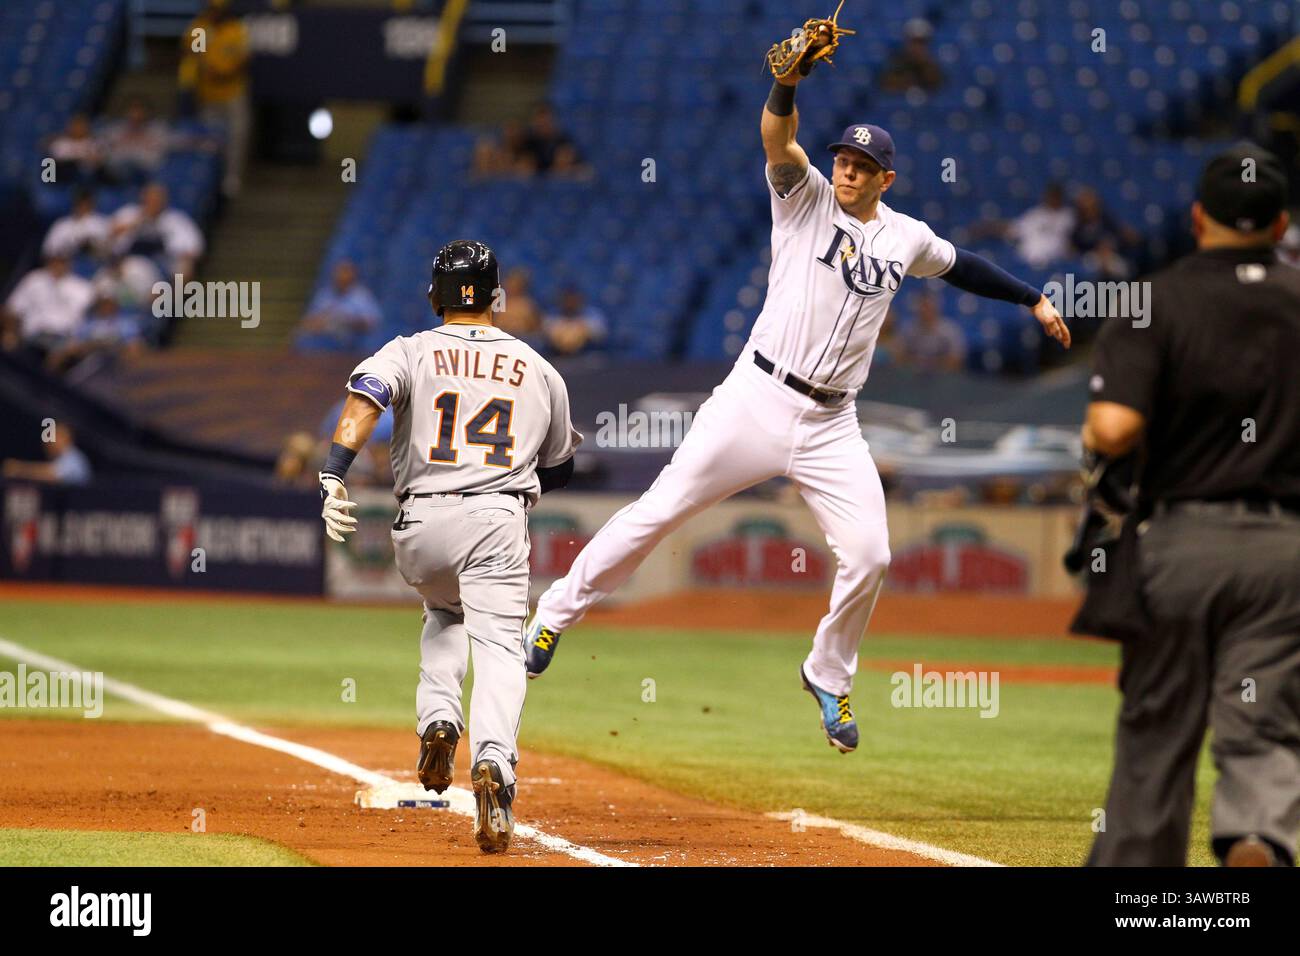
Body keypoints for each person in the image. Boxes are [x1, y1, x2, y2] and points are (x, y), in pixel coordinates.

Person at [522, 36, 1069, 753]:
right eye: (844, 157)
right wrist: (785, 83)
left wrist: (1031, 298)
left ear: (887, 178)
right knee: (659, 511)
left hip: (832, 423)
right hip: (756, 396)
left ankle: (827, 672)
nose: (848, 168)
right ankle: (554, 613)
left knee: (871, 554)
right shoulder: (805, 198)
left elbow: (963, 265)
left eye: (863, 164)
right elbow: (778, 138)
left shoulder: (907, 238)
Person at [316, 240, 581, 854]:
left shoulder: (408, 349)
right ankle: (495, 763)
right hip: (494, 520)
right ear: (497, 296)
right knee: (497, 645)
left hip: (421, 523)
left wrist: (334, 470)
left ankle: (438, 719)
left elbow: (365, 402)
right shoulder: (539, 367)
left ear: (434, 296)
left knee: (443, 612)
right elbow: (562, 468)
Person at [1080, 143, 1300, 867]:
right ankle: (1260, 834)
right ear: (1280, 226)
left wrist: (1093, 431)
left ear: (1198, 217)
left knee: (1157, 729)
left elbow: (1115, 427)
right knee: (1264, 723)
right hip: (1285, 552)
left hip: (1182, 541)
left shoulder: (1157, 300)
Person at [180, 0, 251, 196]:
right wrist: (204, 57)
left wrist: (220, 72)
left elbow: (241, 61)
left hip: (233, 93)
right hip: (208, 95)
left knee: (237, 136)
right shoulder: (201, 28)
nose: (214, 13)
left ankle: (232, 178)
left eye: (217, 9)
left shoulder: (234, 30)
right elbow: (192, 55)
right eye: (211, 8)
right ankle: (208, 181)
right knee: (208, 141)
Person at [1, 254, 96, 353]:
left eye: (62, 262)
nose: (58, 266)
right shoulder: (35, 278)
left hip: (60, 337)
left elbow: (79, 323)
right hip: (29, 331)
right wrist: (11, 329)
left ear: (69, 265)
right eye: (56, 261)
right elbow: (14, 307)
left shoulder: (82, 289)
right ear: (49, 262)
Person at [109, 182, 205, 279]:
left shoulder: (176, 220)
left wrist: (182, 257)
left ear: (164, 200)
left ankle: (175, 293)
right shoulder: (129, 213)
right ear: (143, 198)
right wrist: (135, 223)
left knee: (184, 267)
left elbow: (194, 248)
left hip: (163, 262)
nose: (153, 202)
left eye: (157, 199)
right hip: (130, 261)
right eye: (150, 198)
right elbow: (109, 237)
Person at [294, 260, 382, 352]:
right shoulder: (325, 295)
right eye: (339, 272)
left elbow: (373, 322)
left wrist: (346, 321)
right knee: (305, 340)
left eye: (346, 272)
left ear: (353, 276)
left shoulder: (361, 296)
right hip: (328, 337)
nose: (342, 276)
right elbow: (309, 321)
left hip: (354, 337)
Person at [1004, 183, 1076, 269]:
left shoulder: (1068, 215)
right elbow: (1013, 229)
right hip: (1026, 262)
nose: (1053, 199)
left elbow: (1074, 240)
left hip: (1054, 263)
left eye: (1056, 196)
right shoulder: (1035, 214)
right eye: (1051, 195)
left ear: (1061, 197)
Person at [101, 97, 171, 184]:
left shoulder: (159, 129)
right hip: (118, 175)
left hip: (147, 173)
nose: (136, 114)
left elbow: (159, 158)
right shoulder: (114, 130)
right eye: (133, 109)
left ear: (147, 112)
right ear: (126, 112)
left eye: (139, 109)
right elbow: (106, 152)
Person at [3, 423, 93, 486]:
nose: (49, 442)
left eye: (54, 437)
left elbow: (52, 475)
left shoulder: (73, 458)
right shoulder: (62, 458)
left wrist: (20, 469)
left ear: (65, 438)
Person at [899, 290, 966, 372]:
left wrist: (934, 363)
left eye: (928, 306)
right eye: (922, 306)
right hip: (915, 376)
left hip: (944, 377)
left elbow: (957, 359)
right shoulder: (909, 329)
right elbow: (900, 357)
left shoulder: (949, 330)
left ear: (936, 307)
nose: (925, 310)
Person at [880, 19, 945, 93]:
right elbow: (888, 89)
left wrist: (925, 66)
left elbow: (939, 88)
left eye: (922, 42)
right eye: (914, 42)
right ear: (907, 42)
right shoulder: (895, 64)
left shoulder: (934, 66)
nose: (917, 47)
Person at [42, 190, 110, 260]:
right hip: (68, 265)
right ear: (74, 204)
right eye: (80, 203)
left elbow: (110, 250)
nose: (83, 206)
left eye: (86, 203)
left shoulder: (102, 223)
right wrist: (71, 247)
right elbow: (48, 251)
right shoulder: (61, 225)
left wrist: (92, 246)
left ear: (92, 204)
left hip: (96, 265)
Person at [543, 286, 608, 356]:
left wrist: (581, 328)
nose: (570, 303)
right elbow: (548, 334)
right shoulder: (552, 316)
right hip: (557, 358)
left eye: (573, 299)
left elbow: (601, 334)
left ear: (580, 299)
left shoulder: (592, 314)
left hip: (587, 356)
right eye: (567, 299)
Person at [47, 114, 104, 187]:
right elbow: (54, 160)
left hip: (85, 175)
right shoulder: (61, 142)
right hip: (64, 173)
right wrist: (78, 158)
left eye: (81, 126)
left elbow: (97, 161)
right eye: (76, 126)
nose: (78, 129)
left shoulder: (92, 143)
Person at [494, 267, 544, 343]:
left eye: (516, 284)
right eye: (511, 282)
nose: (513, 286)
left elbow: (535, 328)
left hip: (521, 341)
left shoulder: (527, 305)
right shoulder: (498, 301)